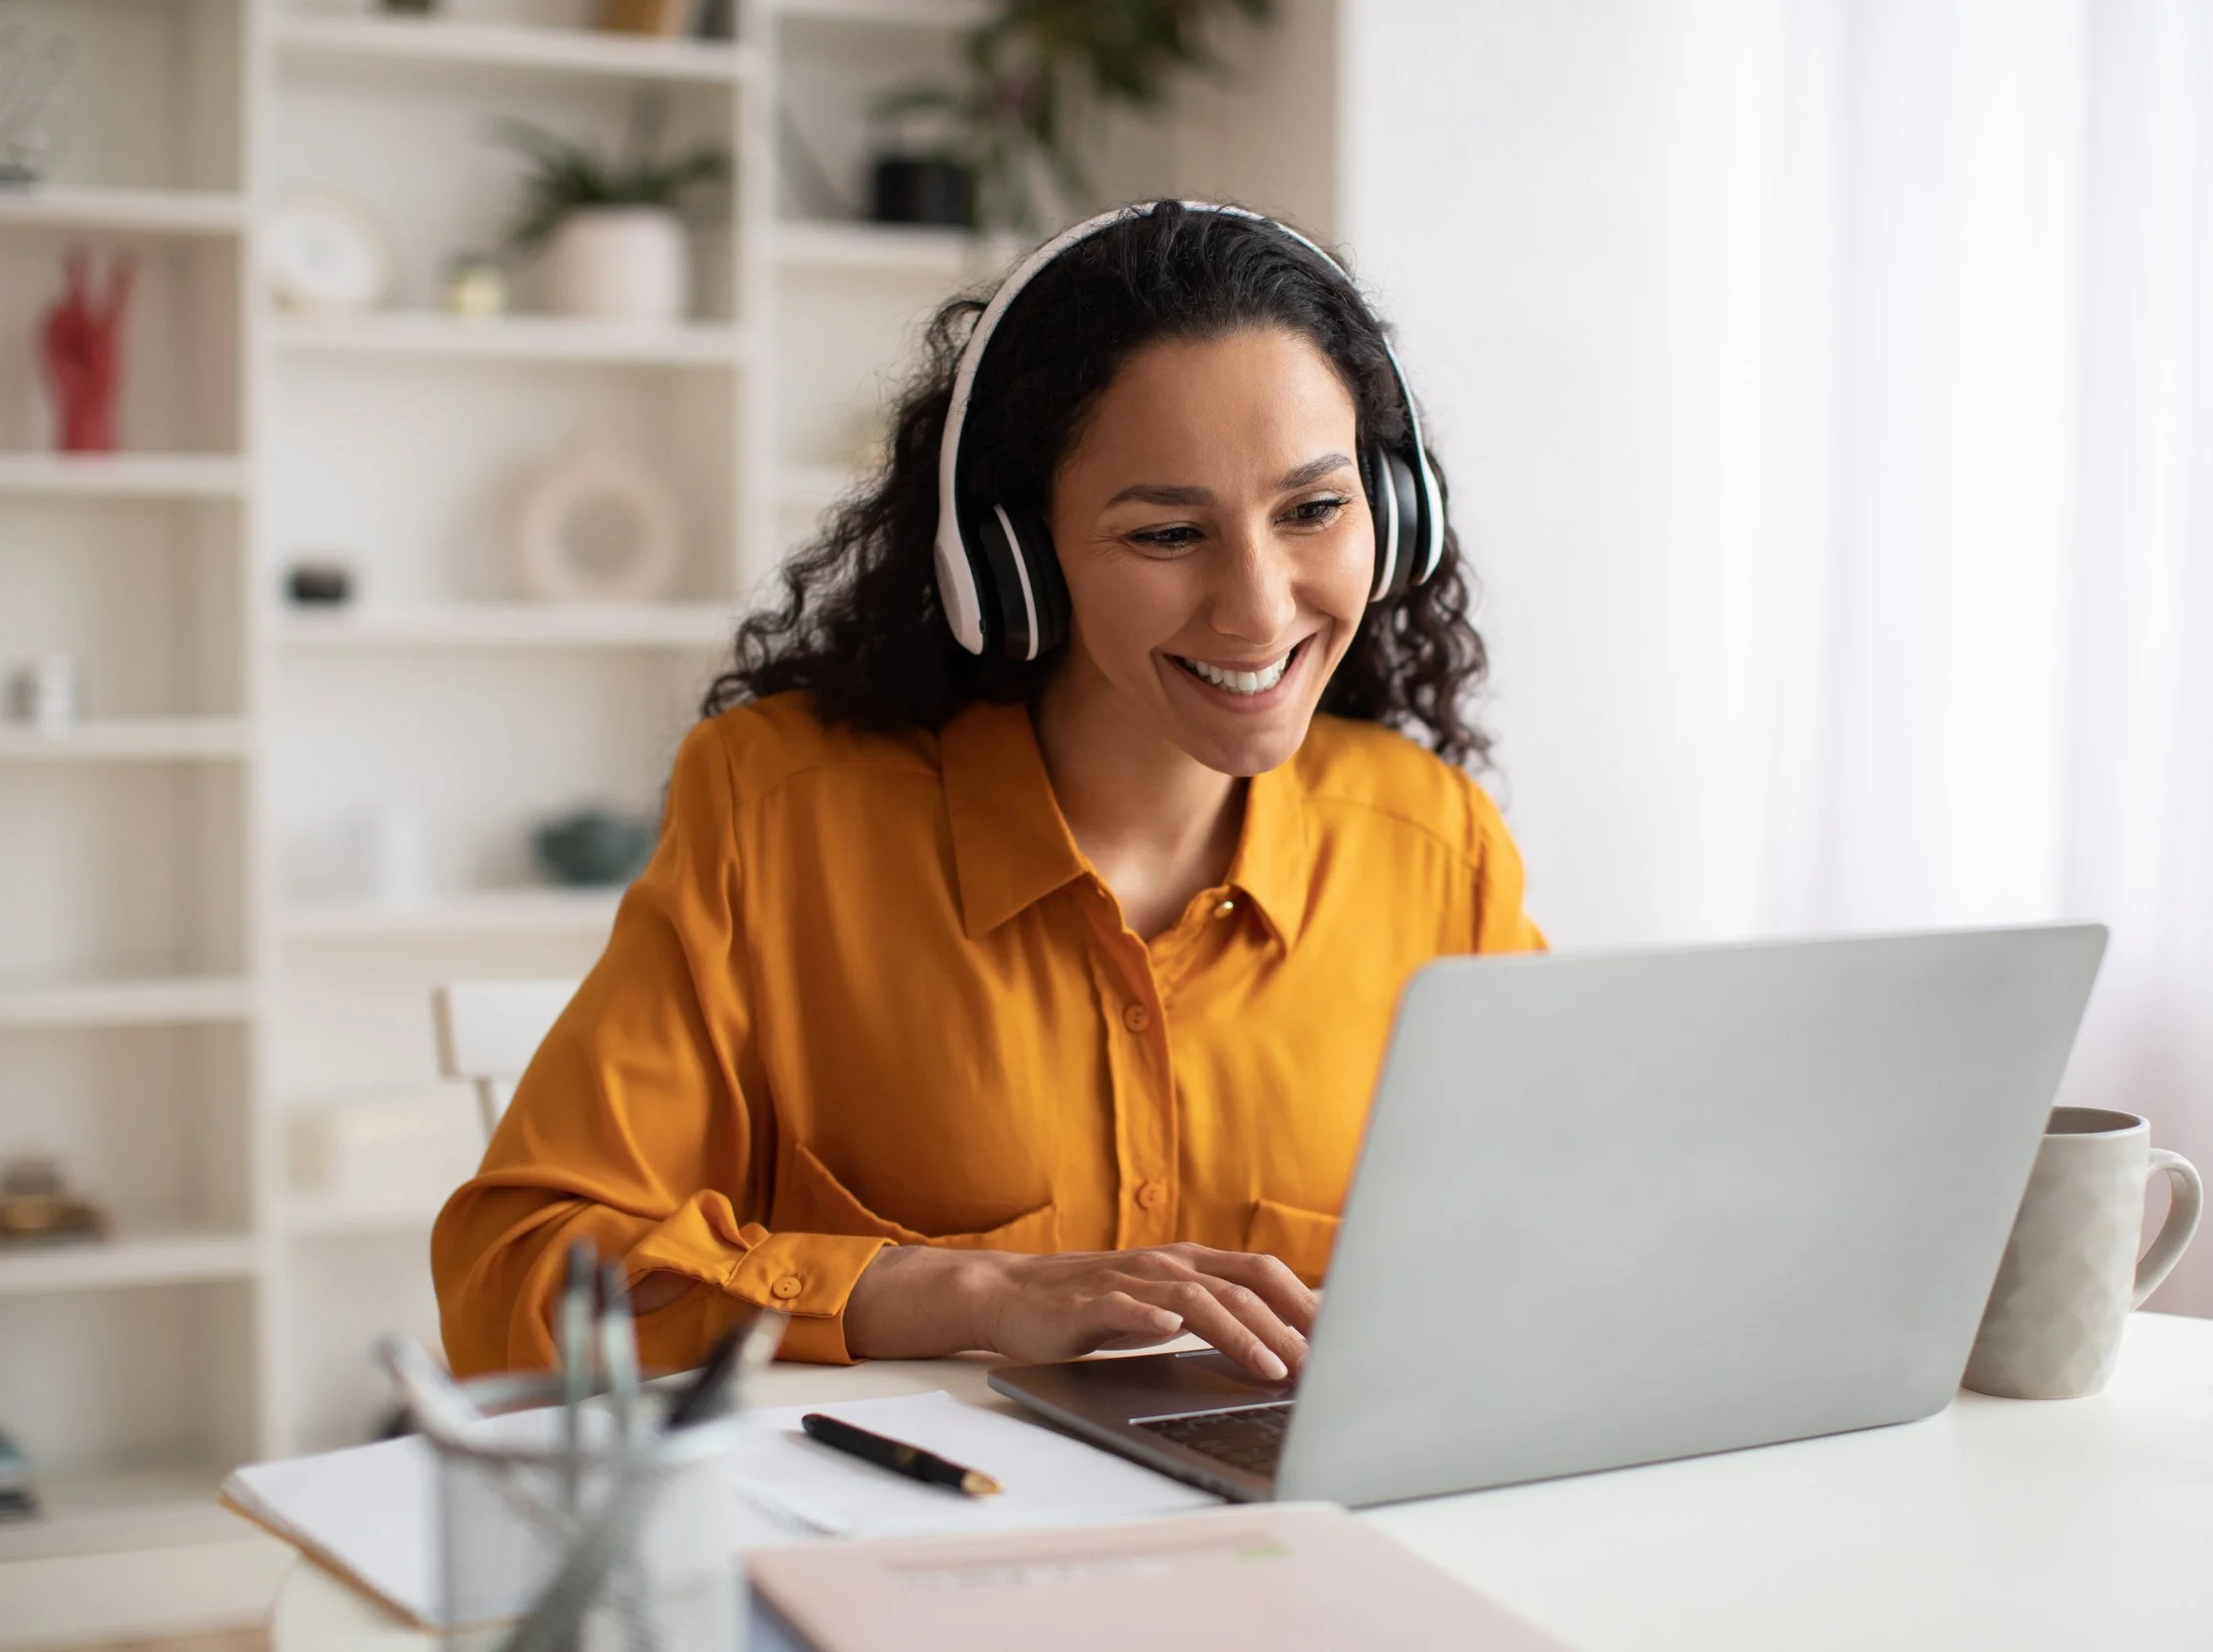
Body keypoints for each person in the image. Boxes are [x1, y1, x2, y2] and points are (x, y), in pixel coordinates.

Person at [433, 199, 1542, 1385]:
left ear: (1397, 510)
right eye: (1167, 532)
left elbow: (1566, 1246)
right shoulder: (778, 818)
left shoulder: (1434, 842)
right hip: (912, 1543)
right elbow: (520, 1278)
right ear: (1014, 559)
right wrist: (955, 1289)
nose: (1260, 609)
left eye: (1314, 510)